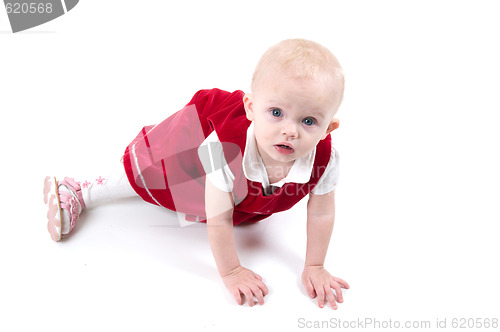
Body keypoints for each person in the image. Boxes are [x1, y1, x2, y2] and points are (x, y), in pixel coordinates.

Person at [43, 38, 350, 309]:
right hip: (202, 143)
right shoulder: (223, 147)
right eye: (276, 113)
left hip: (244, 185)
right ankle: (80, 190)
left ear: (328, 128)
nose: (289, 130)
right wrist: (231, 271)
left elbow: (321, 212)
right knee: (155, 173)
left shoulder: (325, 156)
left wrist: (315, 265)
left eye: (308, 121)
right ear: (251, 108)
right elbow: (218, 217)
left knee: (238, 196)